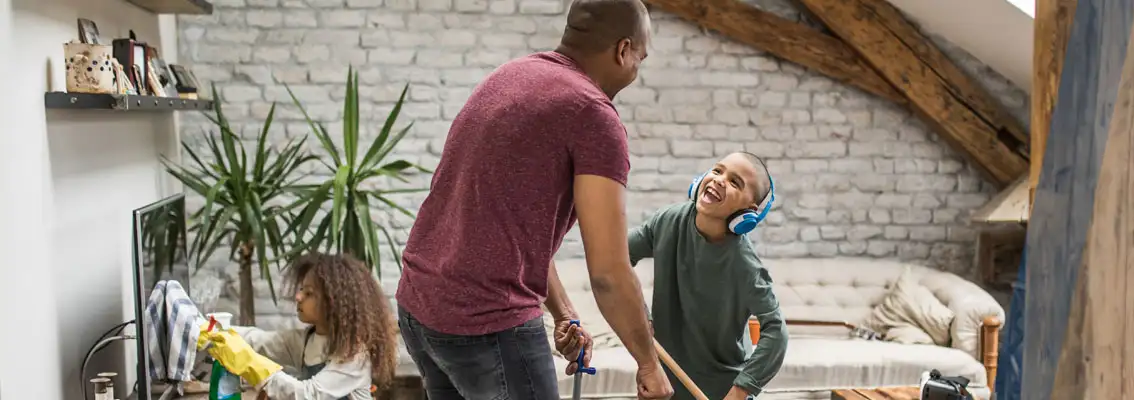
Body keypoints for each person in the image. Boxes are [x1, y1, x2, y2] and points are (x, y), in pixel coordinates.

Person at [392, 0, 672, 399]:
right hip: (485, 323)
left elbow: (511, 226)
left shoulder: (511, 76)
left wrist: (563, 313)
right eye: (639, 60)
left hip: (420, 307)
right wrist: (648, 364)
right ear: (622, 49)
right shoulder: (593, 115)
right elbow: (609, 271)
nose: (635, 72)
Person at [621, 151, 792, 399]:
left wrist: (740, 391)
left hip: (721, 389)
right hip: (664, 383)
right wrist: (642, 324)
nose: (719, 180)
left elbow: (776, 330)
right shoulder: (668, 221)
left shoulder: (745, 265)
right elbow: (617, 258)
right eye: (717, 170)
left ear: (749, 212)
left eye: (735, 182)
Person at [196, 253, 398, 400]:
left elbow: (309, 394)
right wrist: (207, 329)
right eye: (301, 289)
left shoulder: (354, 355)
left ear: (333, 303)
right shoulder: (305, 341)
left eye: (309, 293)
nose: (298, 297)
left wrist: (254, 366)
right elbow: (259, 340)